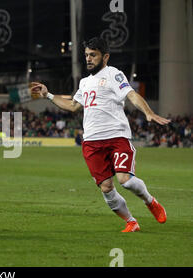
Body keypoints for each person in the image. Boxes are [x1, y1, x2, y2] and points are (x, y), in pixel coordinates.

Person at [31, 37, 170, 232]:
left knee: (125, 181)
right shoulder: (85, 82)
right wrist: (49, 95)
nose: (88, 59)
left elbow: (131, 94)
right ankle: (131, 221)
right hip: (91, 142)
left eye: (93, 55)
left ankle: (150, 201)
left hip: (116, 137)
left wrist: (148, 112)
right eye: (86, 55)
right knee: (106, 187)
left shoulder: (114, 74)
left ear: (105, 57)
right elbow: (73, 106)